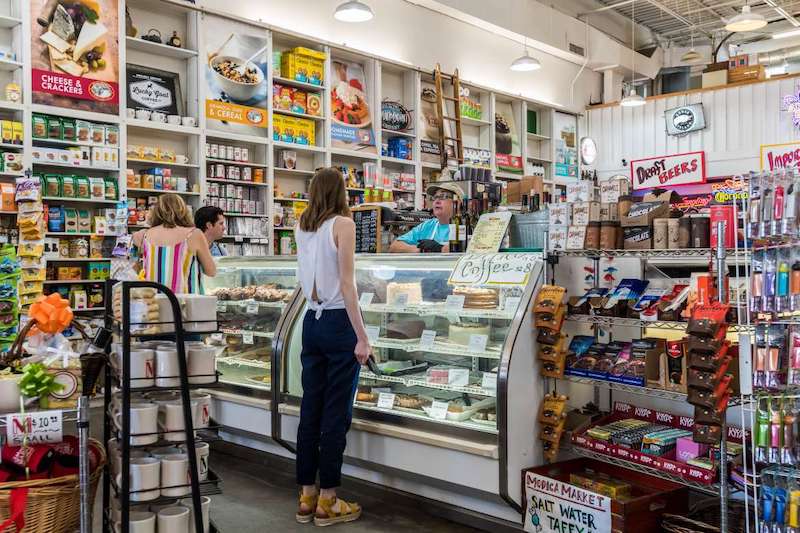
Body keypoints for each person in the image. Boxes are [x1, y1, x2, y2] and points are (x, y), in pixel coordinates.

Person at [294, 167, 371, 526]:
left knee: (311, 409)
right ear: (341, 192)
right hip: (340, 323)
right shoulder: (344, 225)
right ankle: (329, 500)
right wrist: (363, 337)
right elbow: (347, 284)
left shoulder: (302, 225)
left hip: (311, 322)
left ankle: (307, 495)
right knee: (335, 414)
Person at [132, 193, 217, 293]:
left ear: (156, 211)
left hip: (153, 303)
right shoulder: (194, 234)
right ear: (184, 211)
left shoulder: (143, 235)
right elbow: (211, 271)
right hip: (185, 304)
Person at [388, 182, 462, 253]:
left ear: (458, 203)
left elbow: (467, 250)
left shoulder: (465, 227)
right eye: (435, 197)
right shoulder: (428, 226)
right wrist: (420, 250)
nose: (437, 201)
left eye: (443, 197)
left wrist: (440, 248)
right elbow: (394, 246)